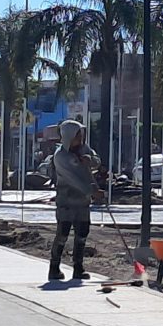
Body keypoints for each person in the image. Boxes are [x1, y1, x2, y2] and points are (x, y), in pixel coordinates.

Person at [47, 119, 96, 281]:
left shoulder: (84, 149)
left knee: (82, 233)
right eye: (76, 136)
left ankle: (78, 267)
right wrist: (92, 191)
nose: (80, 139)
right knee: (63, 234)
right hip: (66, 202)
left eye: (81, 135)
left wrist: (91, 161)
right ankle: (54, 268)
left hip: (82, 202)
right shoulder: (60, 156)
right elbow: (72, 179)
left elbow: (97, 161)